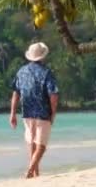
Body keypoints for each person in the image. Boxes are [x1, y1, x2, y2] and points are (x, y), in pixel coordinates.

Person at [9, 42, 59, 179]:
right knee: (41, 145)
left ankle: (36, 173)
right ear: (43, 56)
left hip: (27, 112)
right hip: (43, 112)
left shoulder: (21, 71)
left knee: (31, 142)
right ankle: (31, 170)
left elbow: (16, 94)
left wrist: (12, 113)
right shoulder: (47, 72)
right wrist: (53, 113)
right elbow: (53, 95)